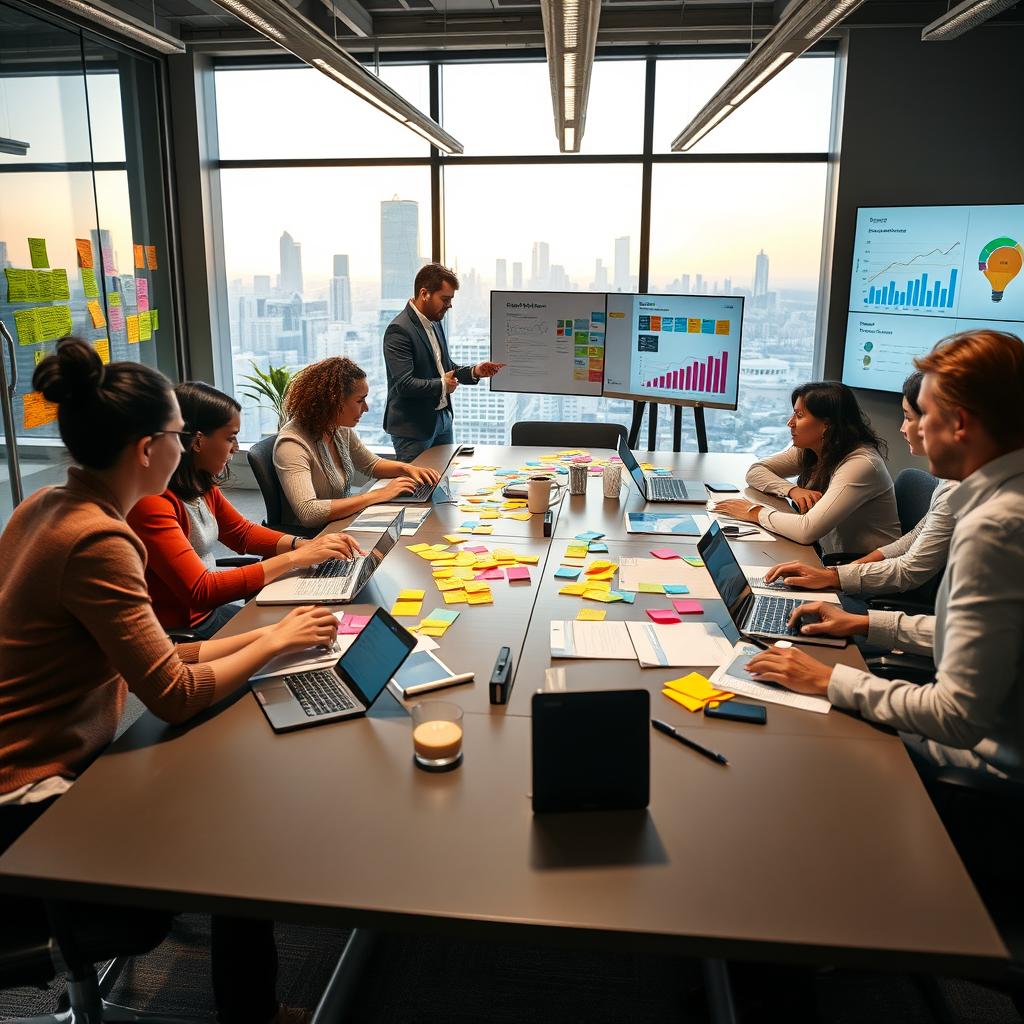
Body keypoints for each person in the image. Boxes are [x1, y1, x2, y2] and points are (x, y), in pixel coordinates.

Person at [0, 338, 339, 1024]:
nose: (188, 450)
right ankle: (252, 1013)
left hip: (33, 765)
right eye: (181, 437)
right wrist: (273, 639)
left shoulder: (44, 507)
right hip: (30, 802)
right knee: (239, 834)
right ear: (148, 447)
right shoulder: (100, 538)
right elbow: (175, 694)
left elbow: (149, 656)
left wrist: (261, 641)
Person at [745, 330, 1024, 781]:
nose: (906, 426)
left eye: (922, 414)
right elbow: (983, 638)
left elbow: (954, 716)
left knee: (784, 749)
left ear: (960, 424)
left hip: (978, 763)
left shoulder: (997, 527)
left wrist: (827, 680)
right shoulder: (1003, 500)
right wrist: (864, 622)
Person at [128, 382, 362, 638]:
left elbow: (241, 533)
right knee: (302, 638)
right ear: (197, 442)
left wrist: (302, 545)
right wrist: (294, 559)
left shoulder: (200, 483)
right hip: (190, 626)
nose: (236, 448)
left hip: (210, 611)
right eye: (230, 438)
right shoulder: (152, 503)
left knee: (313, 626)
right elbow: (201, 589)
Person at [764, 371, 957, 597]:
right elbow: (914, 537)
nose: (902, 428)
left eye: (909, 417)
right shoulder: (950, 482)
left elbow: (909, 570)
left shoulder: (957, 490)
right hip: (860, 569)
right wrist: (843, 572)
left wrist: (755, 513)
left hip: (884, 589)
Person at [715, 381, 901, 554]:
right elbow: (756, 472)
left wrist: (753, 512)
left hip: (864, 575)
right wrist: (792, 490)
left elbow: (806, 530)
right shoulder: (814, 449)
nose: (790, 423)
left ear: (827, 425)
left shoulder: (861, 464)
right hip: (830, 560)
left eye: (799, 415)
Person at [274, 355, 442, 531]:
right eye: (360, 400)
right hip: (314, 538)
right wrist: (377, 495)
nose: (366, 408)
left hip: (342, 524)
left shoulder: (336, 427)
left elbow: (371, 465)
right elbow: (309, 513)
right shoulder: (291, 445)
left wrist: (407, 469)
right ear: (334, 401)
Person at [382, 263, 505, 462]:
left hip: (441, 421)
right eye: (445, 299)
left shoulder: (435, 323)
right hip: (414, 429)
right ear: (424, 294)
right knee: (419, 491)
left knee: (443, 484)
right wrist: (442, 385)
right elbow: (403, 385)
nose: (449, 305)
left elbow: (445, 368)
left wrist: (475, 371)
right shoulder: (399, 330)